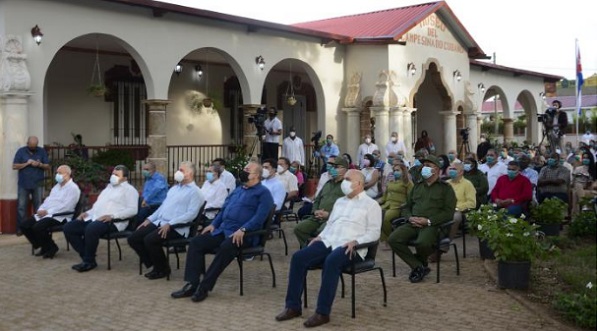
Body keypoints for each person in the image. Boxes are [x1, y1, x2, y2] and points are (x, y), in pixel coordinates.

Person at [275, 169, 381, 328]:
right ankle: (293, 306)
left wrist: (357, 241)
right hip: (330, 241)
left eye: (347, 179)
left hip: (352, 247)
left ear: (358, 184)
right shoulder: (340, 202)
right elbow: (331, 224)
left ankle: (322, 313)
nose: (344, 182)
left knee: (331, 262)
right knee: (299, 258)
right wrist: (320, 236)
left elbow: (374, 232)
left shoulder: (371, 205)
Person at [170, 162, 274, 302]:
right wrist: (213, 224)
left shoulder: (264, 193)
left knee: (225, 247)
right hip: (223, 230)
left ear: (256, 175)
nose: (244, 171)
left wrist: (243, 229)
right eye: (244, 169)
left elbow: (259, 218)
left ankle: (204, 287)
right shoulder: (238, 190)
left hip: (244, 235)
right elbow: (224, 210)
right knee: (196, 242)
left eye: (247, 170)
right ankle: (192, 284)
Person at [128, 162, 204, 280]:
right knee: (134, 238)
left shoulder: (196, 192)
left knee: (150, 240)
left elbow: (191, 214)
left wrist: (171, 224)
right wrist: (149, 219)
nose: (178, 172)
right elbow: (162, 207)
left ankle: (162, 269)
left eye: (181, 170)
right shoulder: (174, 189)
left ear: (190, 173)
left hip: (177, 227)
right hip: (161, 222)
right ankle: (154, 263)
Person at [388, 155, 456, 283]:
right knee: (393, 239)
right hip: (413, 223)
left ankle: (419, 264)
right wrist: (410, 218)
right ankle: (418, 266)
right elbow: (406, 206)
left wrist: (429, 221)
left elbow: (448, 213)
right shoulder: (417, 186)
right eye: (424, 166)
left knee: (423, 243)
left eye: (428, 166)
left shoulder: (445, 189)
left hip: (432, 225)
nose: (424, 168)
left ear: (436, 169)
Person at [63, 165, 138, 272]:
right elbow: (97, 206)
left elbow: (132, 210)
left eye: (117, 175)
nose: (113, 176)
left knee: (91, 229)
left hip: (114, 222)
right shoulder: (108, 188)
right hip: (95, 218)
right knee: (69, 227)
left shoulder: (130, 190)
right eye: (113, 174)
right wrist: (86, 213)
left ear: (125, 178)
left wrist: (112, 216)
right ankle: (87, 257)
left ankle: (88, 262)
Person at [20, 165, 80, 258]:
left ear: (67, 174)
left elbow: (67, 206)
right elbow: (48, 200)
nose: (57, 175)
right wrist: (41, 209)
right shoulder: (56, 187)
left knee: (38, 227)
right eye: (57, 173)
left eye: (60, 173)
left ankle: (52, 247)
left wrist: (48, 212)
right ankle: (43, 245)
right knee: (24, 225)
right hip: (47, 214)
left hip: (60, 216)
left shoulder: (73, 188)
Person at [293, 158, 347, 247]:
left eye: (336, 167)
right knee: (299, 229)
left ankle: (317, 252)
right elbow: (317, 200)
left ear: (345, 170)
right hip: (318, 217)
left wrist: (329, 214)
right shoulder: (328, 183)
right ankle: (308, 251)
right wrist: (315, 211)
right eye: (332, 167)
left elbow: (347, 207)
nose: (333, 169)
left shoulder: (347, 186)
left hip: (333, 219)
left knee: (320, 233)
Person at [12, 136, 50, 235]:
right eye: (31, 146)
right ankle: (22, 229)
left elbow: (47, 166)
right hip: (23, 184)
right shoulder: (21, 151)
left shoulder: (41, 151)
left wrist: (39, 164)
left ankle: (38, 228)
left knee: (38, 206)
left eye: (34, 146)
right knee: (21, 207)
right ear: (27, 143)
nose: (33, 147)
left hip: (38, 183)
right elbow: (14, 166)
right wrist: (27, 163)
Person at [379, 163, 413, 246]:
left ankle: (391, 239)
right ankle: (386, 238)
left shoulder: (408, 183)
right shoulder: (391, 182)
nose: (395, 172)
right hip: (387, 204)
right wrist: (375, 203)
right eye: (394, 170)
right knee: (376, 215)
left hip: (399, 206)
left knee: (386, 218)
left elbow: (411, 198)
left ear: (403, 171)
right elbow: (384, 197)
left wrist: (405, 205)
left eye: (397, 170)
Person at [445, 162, 476, 244]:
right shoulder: (446, 183)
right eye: (450, 168)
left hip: (457, 211)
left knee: (456, 217)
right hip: (443, 209)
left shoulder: (467, 184)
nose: (451, 170)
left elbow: (472, 203)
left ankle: (445, 245)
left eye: (454, 169)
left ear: (461, 172)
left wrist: (456, 207)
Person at [137, 161, 168, 225]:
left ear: (154, 170)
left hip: (156, 206)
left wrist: (145, 200)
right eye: (144, 169)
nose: (145, 171)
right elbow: (145, 192)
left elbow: (155, 190)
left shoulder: (159, 178)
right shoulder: (148, 179)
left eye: (147, 169)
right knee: (138, 220)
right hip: (147, 206)